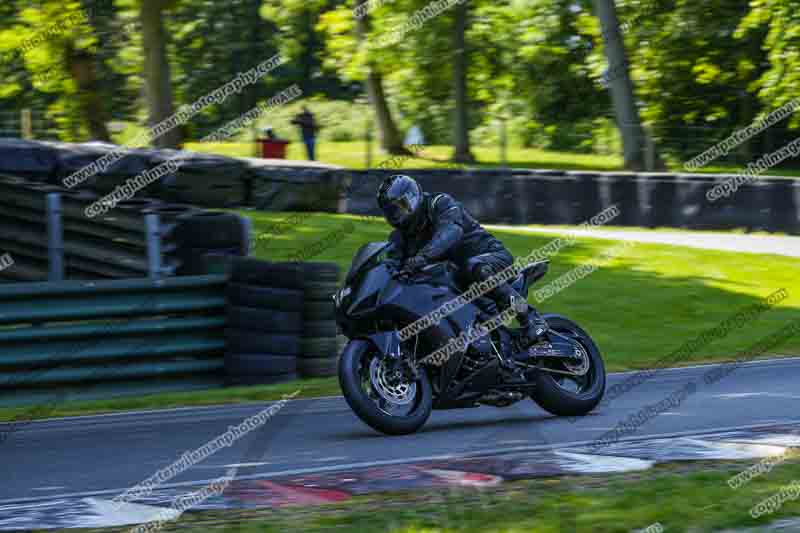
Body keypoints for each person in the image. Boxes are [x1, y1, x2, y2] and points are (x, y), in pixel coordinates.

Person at [376, 174, 548, 370]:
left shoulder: (440, 204)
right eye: (392, 212)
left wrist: (422, 257)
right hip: (457, 280)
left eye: (401, 206)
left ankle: (530, 318)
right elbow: (391, 264)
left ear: (414, 197)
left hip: (490, 258)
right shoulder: (400, 238)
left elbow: (451, 232)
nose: (398, 214)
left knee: (474, 267)